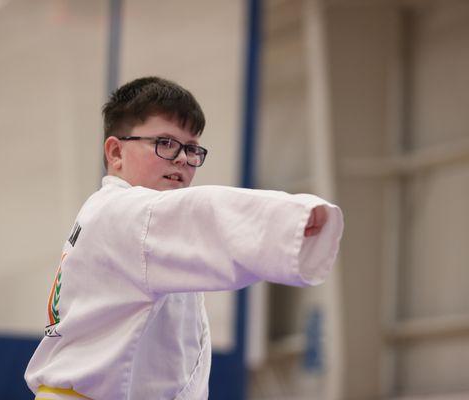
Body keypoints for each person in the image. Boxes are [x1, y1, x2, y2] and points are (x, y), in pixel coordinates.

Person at [24, 77, 343, 400]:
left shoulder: (127, 222)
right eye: (165, 143)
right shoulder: (125, 213)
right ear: (116, 152)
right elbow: (209, 211)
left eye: (192, 149)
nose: (181, 159)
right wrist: (292, 219)